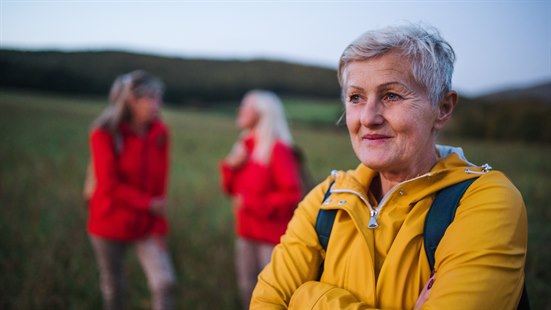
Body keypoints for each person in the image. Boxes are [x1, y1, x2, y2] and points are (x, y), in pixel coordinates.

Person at [250, 24, 528, 309]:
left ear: (442, 108)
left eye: (391, 95)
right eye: (356, 97)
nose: (368, 118)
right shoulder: (326, 200)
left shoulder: (487, 201)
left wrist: (310, 298)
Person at [87, 70, 176, 310]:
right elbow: (108, 184)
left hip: (147, 224)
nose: (158, 105)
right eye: (151, 98)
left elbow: (160, 187)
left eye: (159, 98)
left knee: (164, 282)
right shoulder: (104, 133)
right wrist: (147, 203)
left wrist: (159, 227)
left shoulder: (160, 133)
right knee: (114, 288)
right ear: (131, 101)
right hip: (109, 221)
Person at [219, 90, 303, 309]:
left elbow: (292, 196)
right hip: (246, 233)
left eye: (247, 106)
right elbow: (229, 190)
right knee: (247, 289)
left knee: (272, 296)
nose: (241, 110)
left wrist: (252, 205)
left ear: (262, 113)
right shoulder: (245, 146)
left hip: (271, 239)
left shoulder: (278, 149)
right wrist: (230, 166)